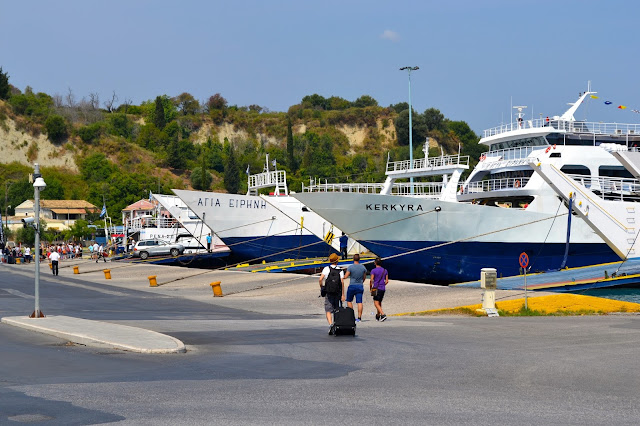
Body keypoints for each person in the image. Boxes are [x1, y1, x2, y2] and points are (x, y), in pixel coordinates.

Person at [319, 252, 345, 335]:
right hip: (337, 292)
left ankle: (330, 324)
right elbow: (342, 283)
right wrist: (343, 294)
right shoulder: (340, 270)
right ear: (337, 261)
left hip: (329, 292)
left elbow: (320, 279)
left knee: (328, 309)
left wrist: (322, 287)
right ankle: (336, 324)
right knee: (336, 308)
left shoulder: (326, 269)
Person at [343, 253, 367, 322]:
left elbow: (346, 276)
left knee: (349, 300)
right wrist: (361, 281)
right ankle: (359, 317)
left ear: (353, 259)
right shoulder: (363, 267)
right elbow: (364, 277)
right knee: (359, 302)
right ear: (359, 259)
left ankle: (352, 316)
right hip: (360, 285)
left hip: (352, 285)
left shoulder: (351, 267)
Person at [370, 257, 389, 321]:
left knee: (376, 303)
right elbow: (386, 281)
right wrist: (383, 285)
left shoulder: (373, 270)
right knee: (379, 302)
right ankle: (378, 315)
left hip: (376, 288)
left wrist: (371, 288)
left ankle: (383, 314)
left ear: (375, 263)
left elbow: (371, 280)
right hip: (382, 288)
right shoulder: (385, 270)